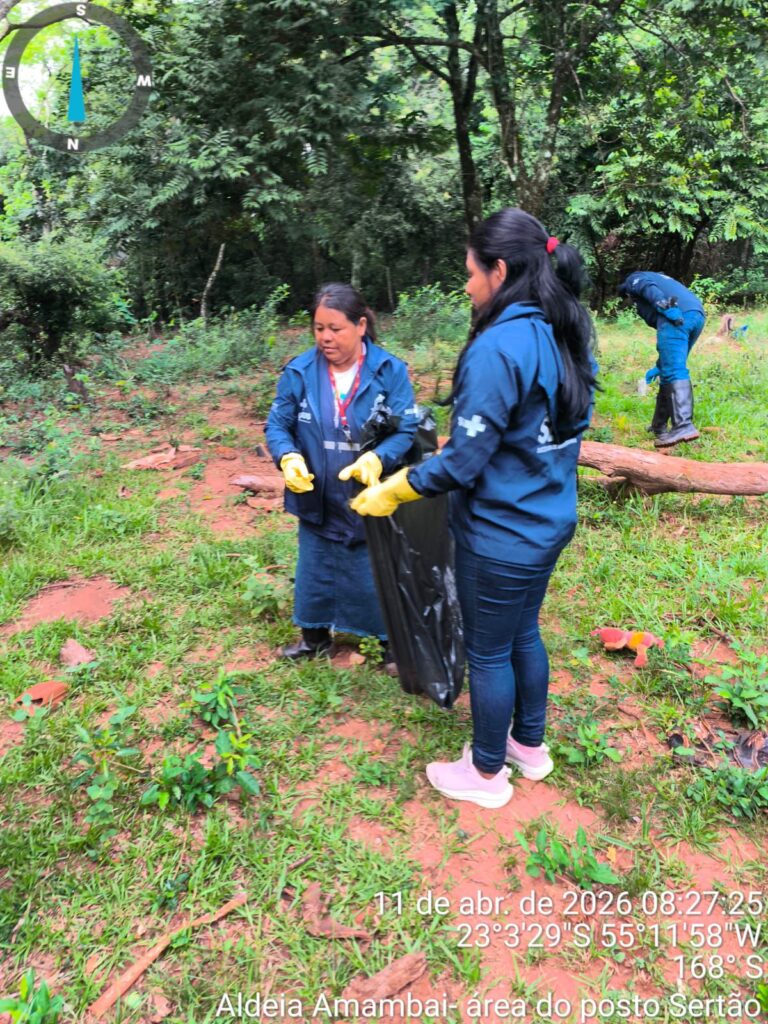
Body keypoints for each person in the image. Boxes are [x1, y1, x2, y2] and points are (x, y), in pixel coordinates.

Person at [350, 208, 598, 809]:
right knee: (522, 633)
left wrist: (396, 487)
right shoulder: (561, 329)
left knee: (489, 649)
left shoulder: (499, 347)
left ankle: (486, 773)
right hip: (548, 519)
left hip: (503, 533)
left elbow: (463, 461)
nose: (466, 285)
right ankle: (528, 747)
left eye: (470, 273)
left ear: (501, 270)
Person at [265, 282, 419, 667]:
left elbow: (405, 429)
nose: (326, 338)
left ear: (361, 325)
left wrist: (380, 459)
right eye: (319, 328)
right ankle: (314, 637)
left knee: (377, 567)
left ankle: (392, 646)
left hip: (371, 493)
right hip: (318, 492)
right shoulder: (300, 371)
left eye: (336, 328)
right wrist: (288, 458)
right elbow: (278, 424)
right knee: (316, 565)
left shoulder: (389, 370)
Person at [617, 271, 705, 446]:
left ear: (626, 292)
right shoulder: (663, 278)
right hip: (697, 315)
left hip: (675, 315)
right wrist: (660, 365)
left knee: (673, 371)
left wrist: (666, 308)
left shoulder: (634, 278)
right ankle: (659, 426)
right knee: (669, 369)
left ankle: (683, 425)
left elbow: (648, 288)